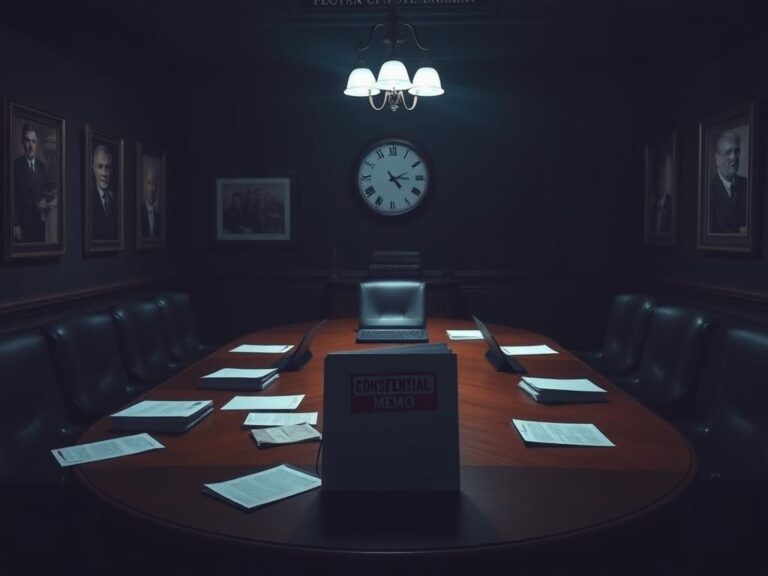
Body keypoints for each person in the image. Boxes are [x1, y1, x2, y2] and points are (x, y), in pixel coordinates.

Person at [13, 122, 55, 243]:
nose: (31, 146)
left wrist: (44, 200)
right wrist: (15, 225)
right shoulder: (15, 165)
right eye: (27, 141)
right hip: (23, 226)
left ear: (37, 143)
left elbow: (48, 188)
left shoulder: (42, 166)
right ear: (22, 142)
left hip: (40, 225)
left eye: (33, 141)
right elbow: (11, 197)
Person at [709, 130, 747, 234]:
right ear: (717, 159)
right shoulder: (709, 192)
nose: (734, 157)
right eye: (728, 152)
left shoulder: (747, 185)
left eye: (736, 151)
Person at [91, 144, 118, 240]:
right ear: (93, 168)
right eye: (100, 166)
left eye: (107, 167)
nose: (104, 173)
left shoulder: (116, 200)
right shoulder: (88, 199)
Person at [649, 149, 672, 234]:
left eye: (662, 177)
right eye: (656, 177)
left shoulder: (672, 205)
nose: (658, 182)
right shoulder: (652, 209)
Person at [140, 156, 162, 238]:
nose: (152, 189)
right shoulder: (139, 213)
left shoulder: (159, 217)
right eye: (149, 183)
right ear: (144, 185)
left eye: (154, 184)